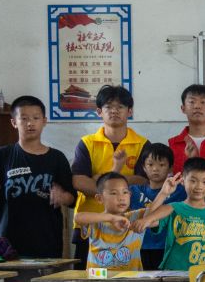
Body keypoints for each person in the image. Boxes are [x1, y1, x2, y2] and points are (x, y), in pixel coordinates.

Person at [0, 94, 75, 258]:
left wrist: (62, 196)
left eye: (36, 118)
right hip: (7, 243)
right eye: (24, 118)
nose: (30, 123)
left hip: (47, 241)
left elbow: (72, 198)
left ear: (44, 121)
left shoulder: (57, 158)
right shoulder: (1, 155)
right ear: (14, 122)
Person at [71, 85, 149, 264]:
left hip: (127, 224)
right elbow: (79, 181)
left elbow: (144, 181)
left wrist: (99, 179)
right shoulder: (87, 143)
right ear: (99, 111)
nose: (114, 111)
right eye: (108, 107)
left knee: (126, 273)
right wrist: (120, 182)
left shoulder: (142, 144)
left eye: (120, 107)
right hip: (91, 222)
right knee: (89, 275)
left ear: (129, 111)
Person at [136, 157, 205, 269]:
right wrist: (163, 193)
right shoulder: (173, 209)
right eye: (193, 181)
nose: (199, 186)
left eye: (204, 182)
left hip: (202, 275)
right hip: (174, 274)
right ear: (183, 181)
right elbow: (148, 219)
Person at [75, 170, 178, 271]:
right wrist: (112, 218)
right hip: (99, 279)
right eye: (114, 193)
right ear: (99, 198)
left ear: (130, 195)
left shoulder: (135, 217)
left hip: (131, 279)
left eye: (125, 192)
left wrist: (163, 193)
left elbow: (157, 212)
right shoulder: (96, 221)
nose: (121, 198)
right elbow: (78, 217)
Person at [130, 143, 187, 269]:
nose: (155, 169)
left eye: (161, 165)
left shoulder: (181, 191)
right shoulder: (133, 191)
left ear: (170, 168)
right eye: (150, 164)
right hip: (139, 247)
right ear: (143, 167)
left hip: (169, 247)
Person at [169, 84, 205, 174]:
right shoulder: (173, 145)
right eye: (192, 102)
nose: (197, 106)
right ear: (183, 108)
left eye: (203, 102)